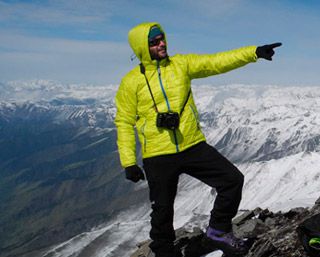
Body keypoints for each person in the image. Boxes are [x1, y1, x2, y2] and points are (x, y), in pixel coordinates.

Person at [114, 22, 281, 257]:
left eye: (162, 38)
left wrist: (253, 52)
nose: (161, 43)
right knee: (162, 210)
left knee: (232, 180)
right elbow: (123, 122)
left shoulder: (181, 64)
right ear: (142, 47)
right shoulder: (131, 82)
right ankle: (164, 253)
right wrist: (128, 162)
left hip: (191, 144)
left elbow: (216, 62)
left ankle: (218, 231)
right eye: (154, 42)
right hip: (157, 154)